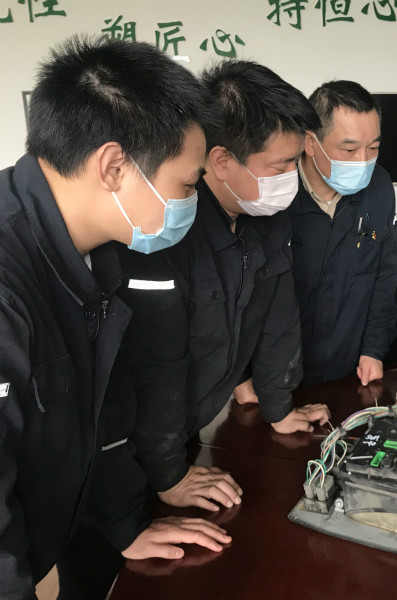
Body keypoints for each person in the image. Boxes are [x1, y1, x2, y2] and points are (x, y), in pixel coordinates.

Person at [0, 36, 228, 600]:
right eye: (188, 184)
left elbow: (100, 412)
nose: (192, 201)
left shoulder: (97, 253)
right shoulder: (9, 283)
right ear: (113, 166)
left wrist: (125, 525)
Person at [119, 61, 332, 519]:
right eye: (281, 165)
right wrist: (168, 474)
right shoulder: (166, 228)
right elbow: (155, 365)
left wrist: (278, 406)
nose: (292, 178)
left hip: (186, 431)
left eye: (296, 162)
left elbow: (278, 314)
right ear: (221, 161)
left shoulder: (267, 217)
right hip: (126, 448)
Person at [290, 80, 397, 387]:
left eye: (373, 148)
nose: (363, 162)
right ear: (311, 143)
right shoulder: (278, 192)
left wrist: (373, 350)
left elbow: (384, 276)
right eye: (349, 149)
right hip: (281, 374)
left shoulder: (379, 186)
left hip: (352, 369)